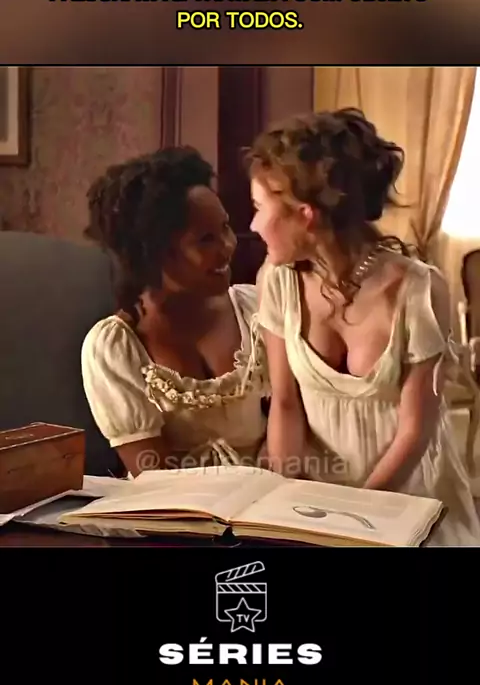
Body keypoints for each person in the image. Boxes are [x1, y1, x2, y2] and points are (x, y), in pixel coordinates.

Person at [247, 107, 480, 546]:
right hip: (316, 499)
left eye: (260, 207)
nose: (253, 225)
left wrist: (354, 519)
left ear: (305, 214)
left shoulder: (418, 290)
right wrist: (287, 501)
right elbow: (285, 403)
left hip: (409, 495)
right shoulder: (276, 280)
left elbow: (416, 430)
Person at [81, 146, 269, 478]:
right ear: (154, 253)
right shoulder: (115, 348)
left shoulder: (257, 309)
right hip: (173, 505)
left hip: (270, 496)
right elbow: (155, 478)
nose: (229, 245)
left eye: (225, 228)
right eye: (206, 239)